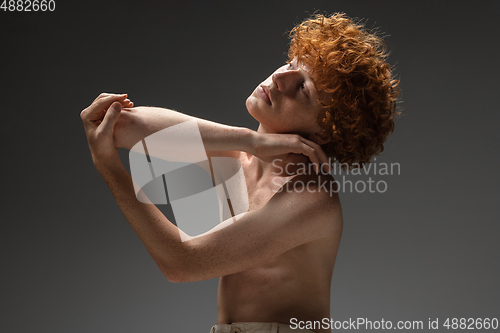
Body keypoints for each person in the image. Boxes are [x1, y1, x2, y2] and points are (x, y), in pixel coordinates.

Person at [80, 13, 399, 333]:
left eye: (303, 89)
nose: (280, 78)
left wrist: (108, 167)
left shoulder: (312, 198)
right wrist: (248, 140)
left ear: (325, 132)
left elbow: (181, 263)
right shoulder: (238, 160)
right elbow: (118, 124)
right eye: (291, 64)